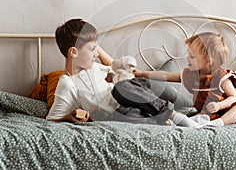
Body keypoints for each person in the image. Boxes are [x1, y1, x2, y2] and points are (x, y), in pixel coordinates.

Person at [46, 18, 206, 128]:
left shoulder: (95, 66)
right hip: (123, 113)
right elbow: (51, 120)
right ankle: (170, 123)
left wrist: (94, 47)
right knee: (118, 117)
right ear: (73, 52)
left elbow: (116, 67)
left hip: (135, 94)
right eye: (93, 49)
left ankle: (177, 117)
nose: (96, 54)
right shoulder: (67, 83)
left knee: (121, 87)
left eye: (97, 48)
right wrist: (68, 117)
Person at [134, 32, 236, 126]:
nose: (187, 58)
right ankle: (187, 123)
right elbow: (166, 76)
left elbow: (233, 97)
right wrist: (141, 73)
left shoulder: (221, 77)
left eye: (192, 56)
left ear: (208, 60)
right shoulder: (192, 75)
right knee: (194, 117)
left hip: (225, 112)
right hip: (206, 114)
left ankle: (217, 124)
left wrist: (219, 106)